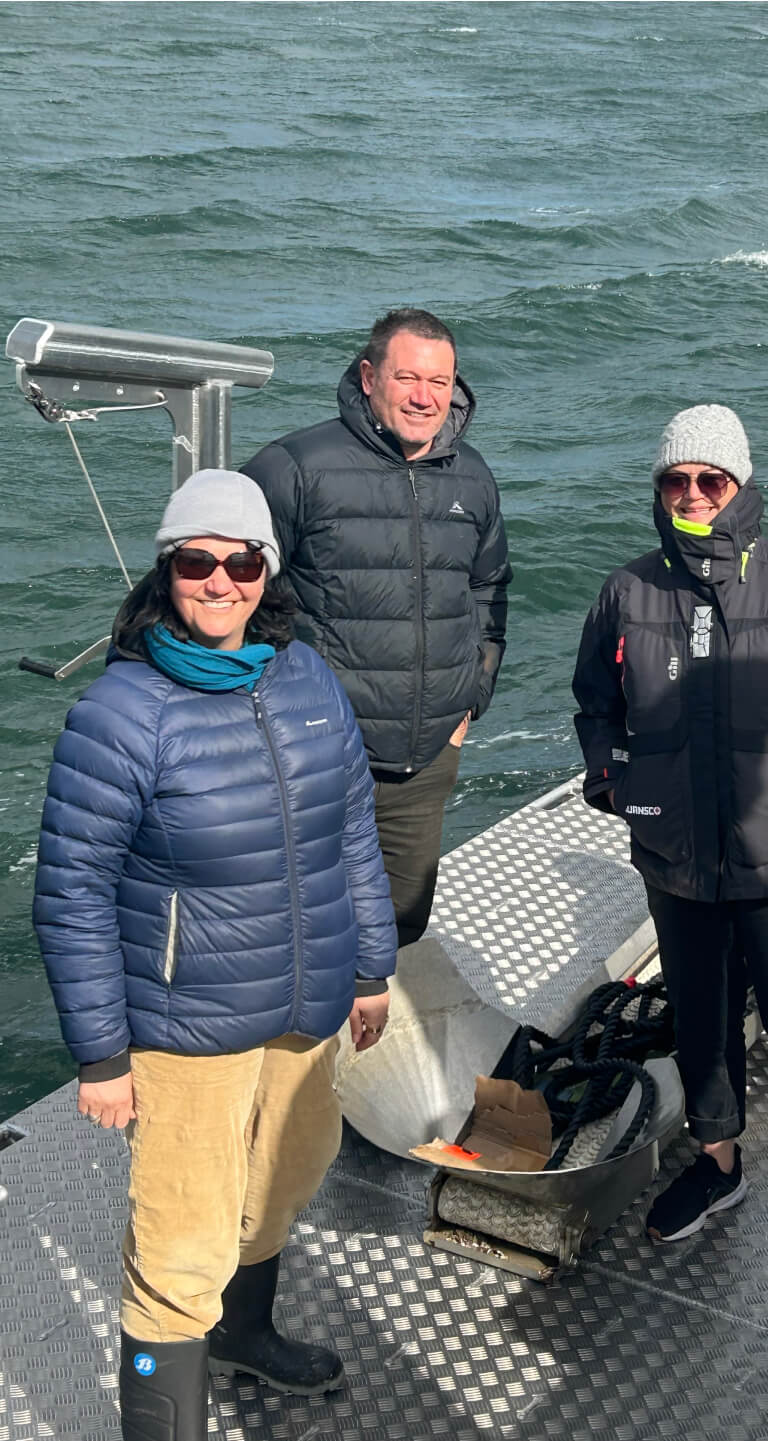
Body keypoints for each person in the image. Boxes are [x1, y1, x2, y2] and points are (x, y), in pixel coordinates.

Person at [33, 470, 398, 1441]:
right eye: (198, 561)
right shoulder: (120, 715)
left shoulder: (306, 676)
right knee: (179, 1247)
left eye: (242, 562)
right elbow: (68, 889)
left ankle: (243, 1333)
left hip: (308, 1006)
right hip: (184, 1028)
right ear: (168, 569)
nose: (221, 582)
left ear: (267, 573)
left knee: (282, 1181)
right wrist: (102, 1055)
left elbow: (353, 826)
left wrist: (371, 964)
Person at [571, 405, 768, 1290]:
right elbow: (594, 706)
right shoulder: (626, 592)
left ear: (741, 488)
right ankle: (718, 1162)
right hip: (677, 861)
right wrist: (610, 779)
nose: (691, 495)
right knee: (702, 1022)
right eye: (675, 481)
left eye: (709, 481)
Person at [242, 308, 512, 947]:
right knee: (298, 926)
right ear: (368, 378)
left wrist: (472, 694)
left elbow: (489, 587)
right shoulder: (293, 467)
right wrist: (269, 713)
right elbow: (230, 594)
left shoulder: (471, 476)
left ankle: (367, 1039)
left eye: (440, 382)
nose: (425, 398)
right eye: (407, 378)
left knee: (398, 928)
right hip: (318, 755)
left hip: (426, 761)